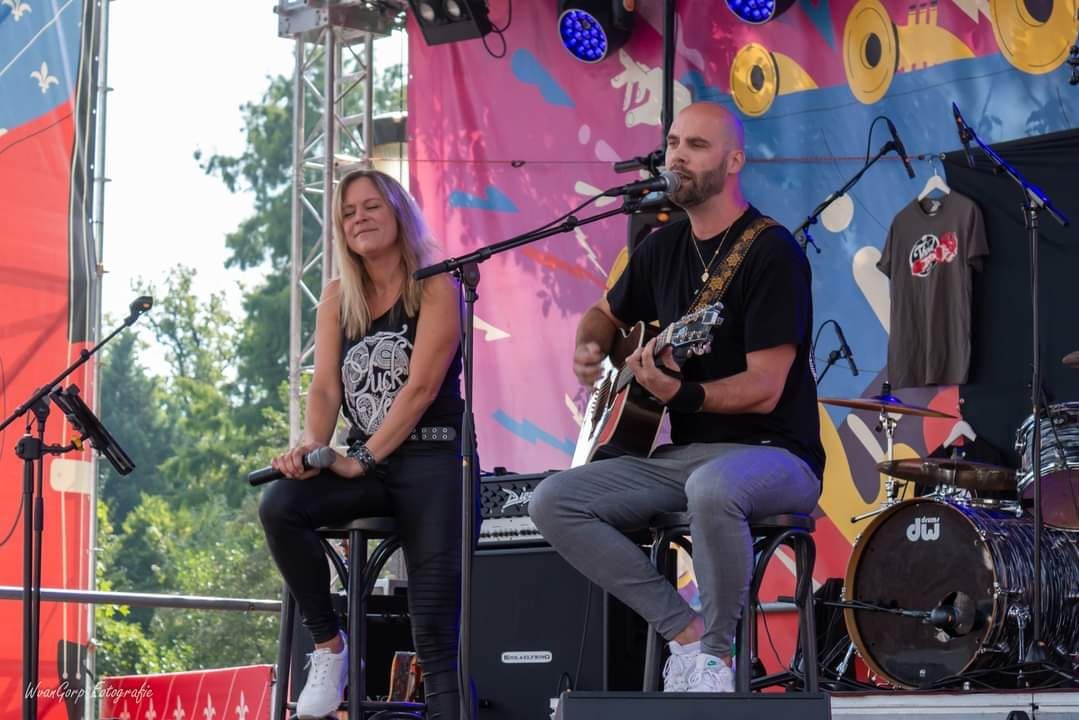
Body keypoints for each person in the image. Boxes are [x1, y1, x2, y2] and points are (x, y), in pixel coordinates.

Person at [529, 102, 825, 693]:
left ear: (734, 162)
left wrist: (679, 393)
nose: (678, 156)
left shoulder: (771, 252)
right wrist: (591, 347)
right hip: (688, 460)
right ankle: (685, 633)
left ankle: (717, 657)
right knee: (553, 501)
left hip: (778, 456)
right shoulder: (660, 247)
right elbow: (604, 314)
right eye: (672, 143)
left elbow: (765, 388)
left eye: (696, 145)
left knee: (712, 488)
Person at [258, 169, 464, 719]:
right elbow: (326, 387)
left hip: (431, 459)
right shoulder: (336, 296)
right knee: (280, 504)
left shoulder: (437, 283)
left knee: (434, 636)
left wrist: (363, 457)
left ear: (399, 213)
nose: (359, 219)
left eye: (371, 206)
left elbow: (421, 388)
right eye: (348, 213)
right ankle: (330, 647)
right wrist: (312, 447)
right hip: (364, 465)